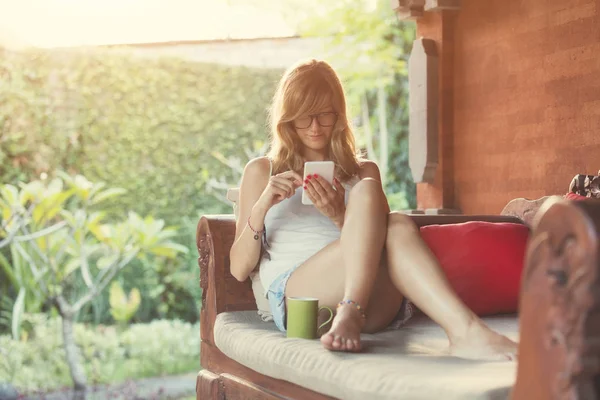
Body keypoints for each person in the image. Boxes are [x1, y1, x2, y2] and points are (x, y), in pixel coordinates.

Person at [229, 59, 518, 360]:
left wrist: (339, 214)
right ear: (288, 119)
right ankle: (465, 331)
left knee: (394, 221)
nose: (315, 127)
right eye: (305, 117)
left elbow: (380, 243)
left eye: (325, 115)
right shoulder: (263, 171)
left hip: (372, 302)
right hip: (303, 299)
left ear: (339, 116)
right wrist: (262, 205)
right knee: (386, 212)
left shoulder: (363, 170)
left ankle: (461, 332)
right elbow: (238, 269)